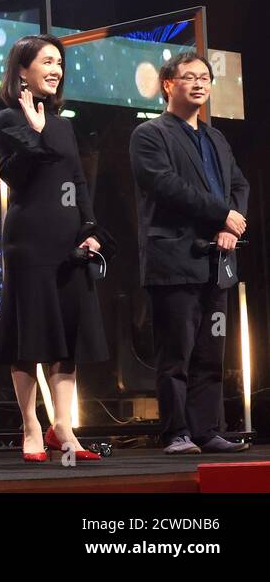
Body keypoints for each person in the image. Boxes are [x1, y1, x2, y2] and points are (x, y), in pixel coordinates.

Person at [0, 35, 109, 463]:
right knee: (30, 334)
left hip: (67, 240)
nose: (56, 69)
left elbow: (77, 181)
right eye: (47, 61)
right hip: (28, 239)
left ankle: (64, 428)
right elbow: (14, 178)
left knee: (66, 336)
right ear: (23, 70)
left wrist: (89, 227)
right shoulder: (7, 120)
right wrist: (36, 137)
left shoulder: (64, 123)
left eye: (59, 61)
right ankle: (30, 425)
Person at [130, 51, 250, 454]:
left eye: (205, 77)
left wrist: (230, 225)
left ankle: (206, 429)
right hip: (174, 258)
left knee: (210, 352)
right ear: (168, 84)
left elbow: (240, 186)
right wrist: (223, 215)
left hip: (218, 258)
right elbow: (166, 186)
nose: (199, 84)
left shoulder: (216, 138)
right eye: (189, 77)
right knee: (176, 352)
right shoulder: (150, 135)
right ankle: (176, 431)